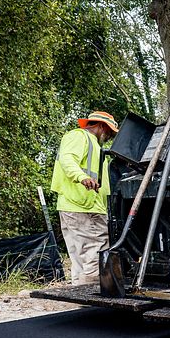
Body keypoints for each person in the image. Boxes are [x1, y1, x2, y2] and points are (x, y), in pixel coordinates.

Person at [50, 111, 117, 285]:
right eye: (109, 132)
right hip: (85, 207)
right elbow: (67, 160)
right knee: (95, 252)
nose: (109, 137)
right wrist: (82, 178)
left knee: (80, 257)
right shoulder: (79, 137)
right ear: (101, 126)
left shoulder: (93, 145)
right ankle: (92, 299)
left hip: (74, 205)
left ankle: (79, 296)